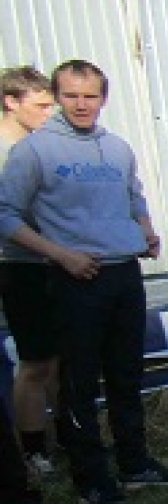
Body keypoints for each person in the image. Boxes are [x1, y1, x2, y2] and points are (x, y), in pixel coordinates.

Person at [0, 60, 168, 504]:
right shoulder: (35, 150)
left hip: (125, 273)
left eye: (91, 96)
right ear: (58, 97)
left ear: (104, 98)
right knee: (79, 382)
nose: (82, 105)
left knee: (125, 373)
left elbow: (134, 195)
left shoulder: (117, 148)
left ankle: (134, 462)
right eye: (71, 96)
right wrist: (60, 254)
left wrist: (145, 229)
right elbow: (5, 215)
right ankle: (92, 479)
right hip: (76, 276)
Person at [0, 66, 61, 478]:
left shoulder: (41, 147)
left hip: (54, 262)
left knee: (60, 360)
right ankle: (33, 451)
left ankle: (65, 438)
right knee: (36, 362)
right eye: (40, 106)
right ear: (11, 102)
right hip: (16, 265)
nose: (49, 113)